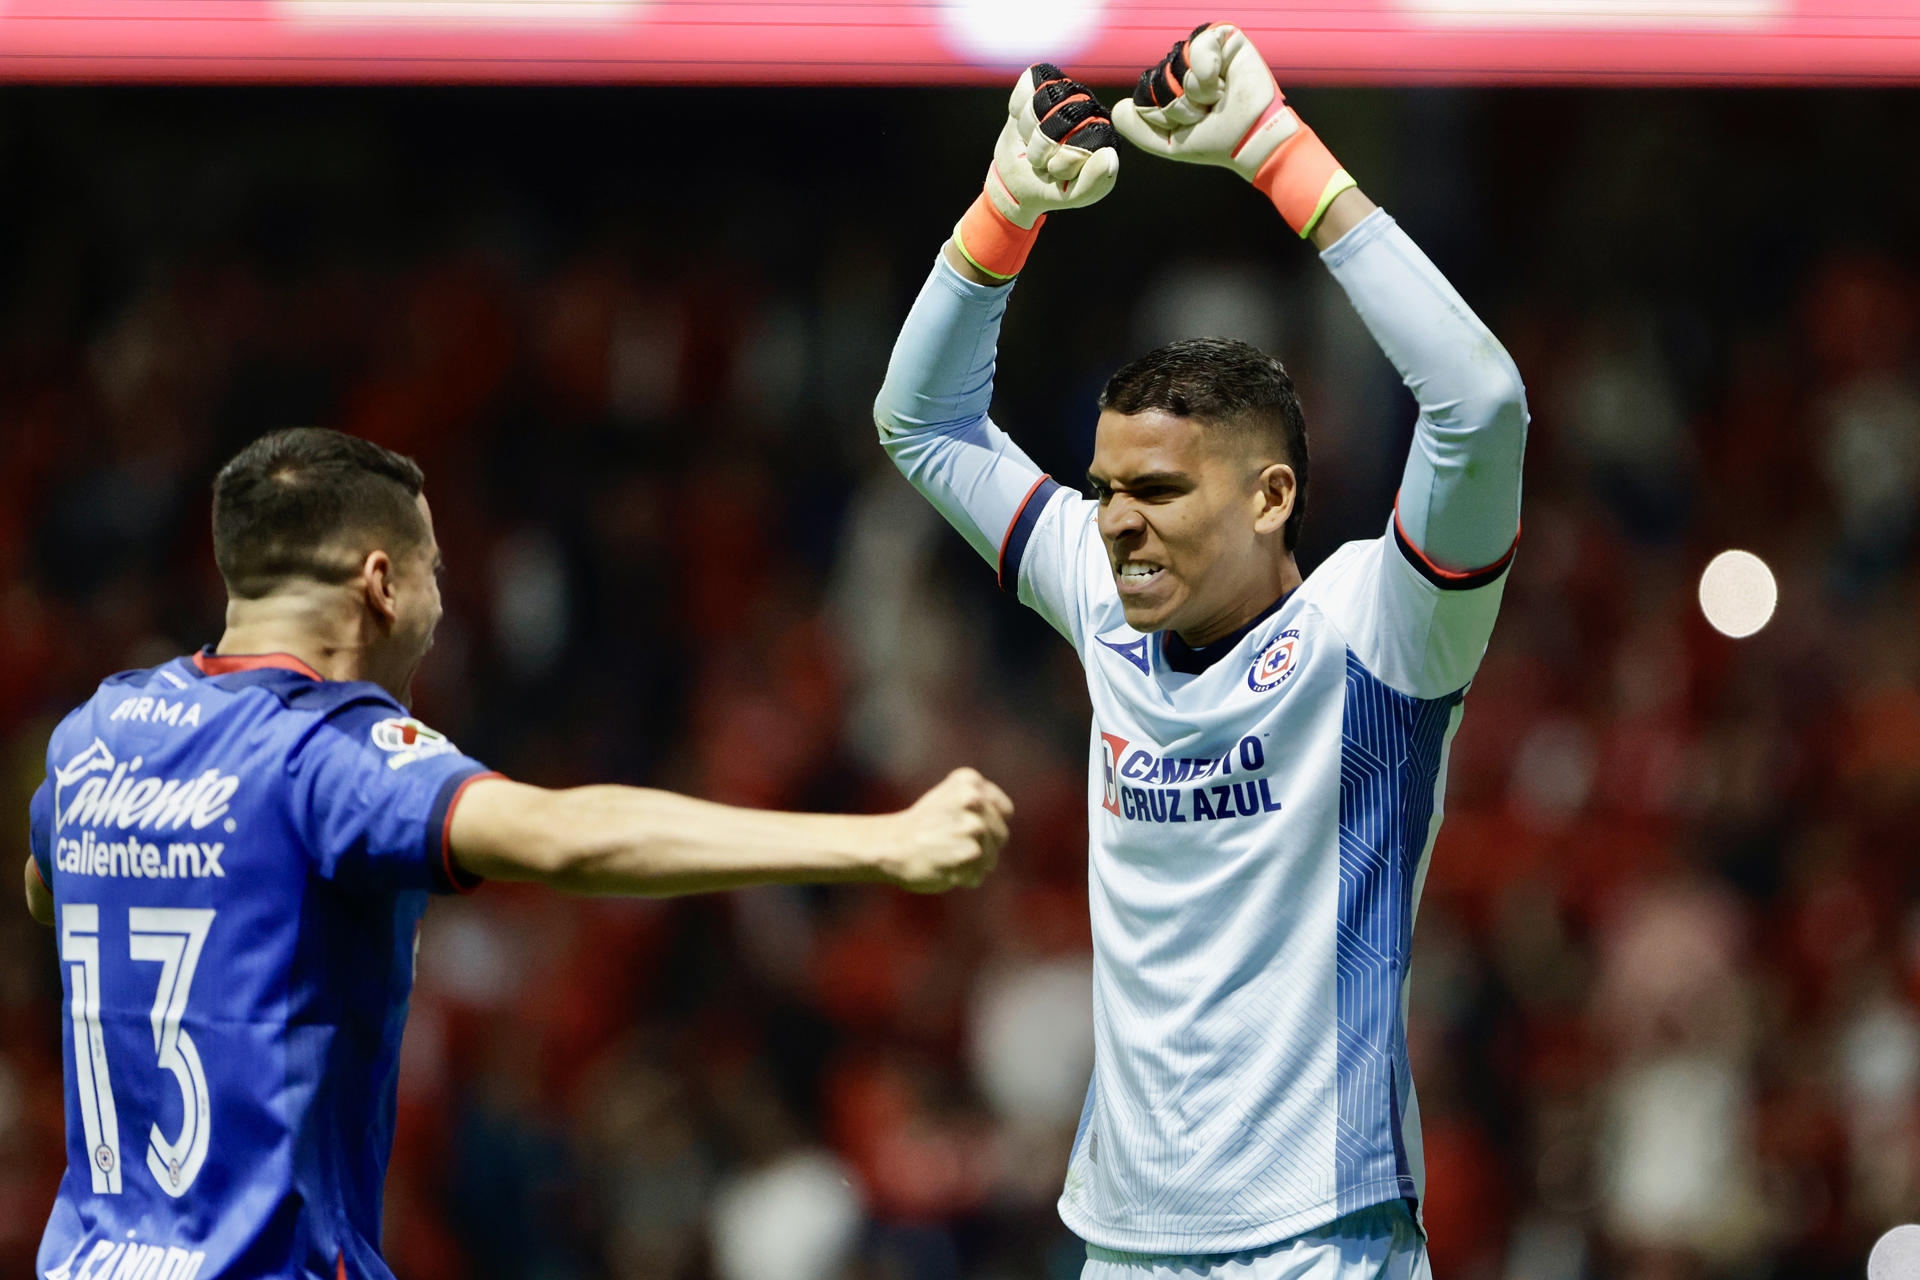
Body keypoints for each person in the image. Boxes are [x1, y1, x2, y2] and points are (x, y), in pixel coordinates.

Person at [23, 427, 1014, 1280]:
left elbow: (49, 887)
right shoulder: (325, 751)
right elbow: (561, 835)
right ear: (381, 581)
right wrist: (880, 842)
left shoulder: (96, 733)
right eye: (434, 575)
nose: (442, 606)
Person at [874, 26, 1526, 1279]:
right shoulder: (1109, 601)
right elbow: (922, 419)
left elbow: (1481, 404)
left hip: (1319, 1239)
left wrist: (1281, 155)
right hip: (1121, 1241)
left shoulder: (1379, 631)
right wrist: (1003, 211)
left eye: (1162, 489)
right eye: (1106, 485)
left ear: (1273, 495)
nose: (1117, 518)